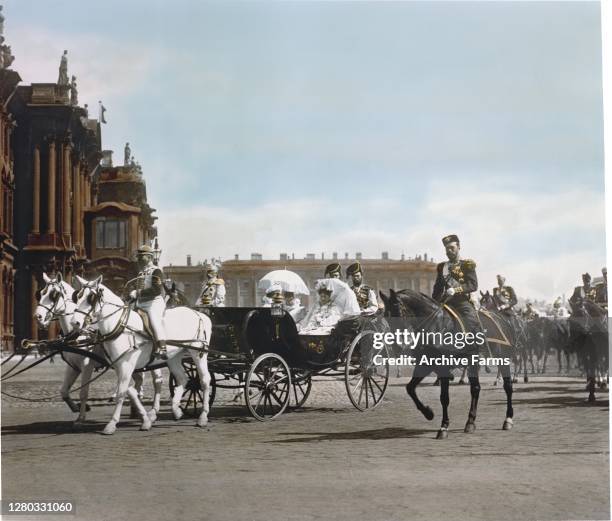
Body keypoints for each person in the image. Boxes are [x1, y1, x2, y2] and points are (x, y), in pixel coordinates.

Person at [432, 234, 481, 334]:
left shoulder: (467, 264)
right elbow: (438, 288)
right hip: (446, 302)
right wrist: (434, 303)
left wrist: (455, 290)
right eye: (446, 248)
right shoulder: (442, 267)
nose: (449, 251)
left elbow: (473, 284)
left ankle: (479, 347)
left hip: (462, 302)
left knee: (472, 323)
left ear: (458, 247)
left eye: (452, 247)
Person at [129, 244, 167, 359]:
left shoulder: (156, 271)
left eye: (142, 256)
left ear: (150, 257)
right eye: (139, 256)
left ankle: (162, 347)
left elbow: (156, 290)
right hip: (141, 303)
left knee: (154, 319)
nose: (139, 259)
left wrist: (138, 293)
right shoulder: (141, 273)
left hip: (154, 303)